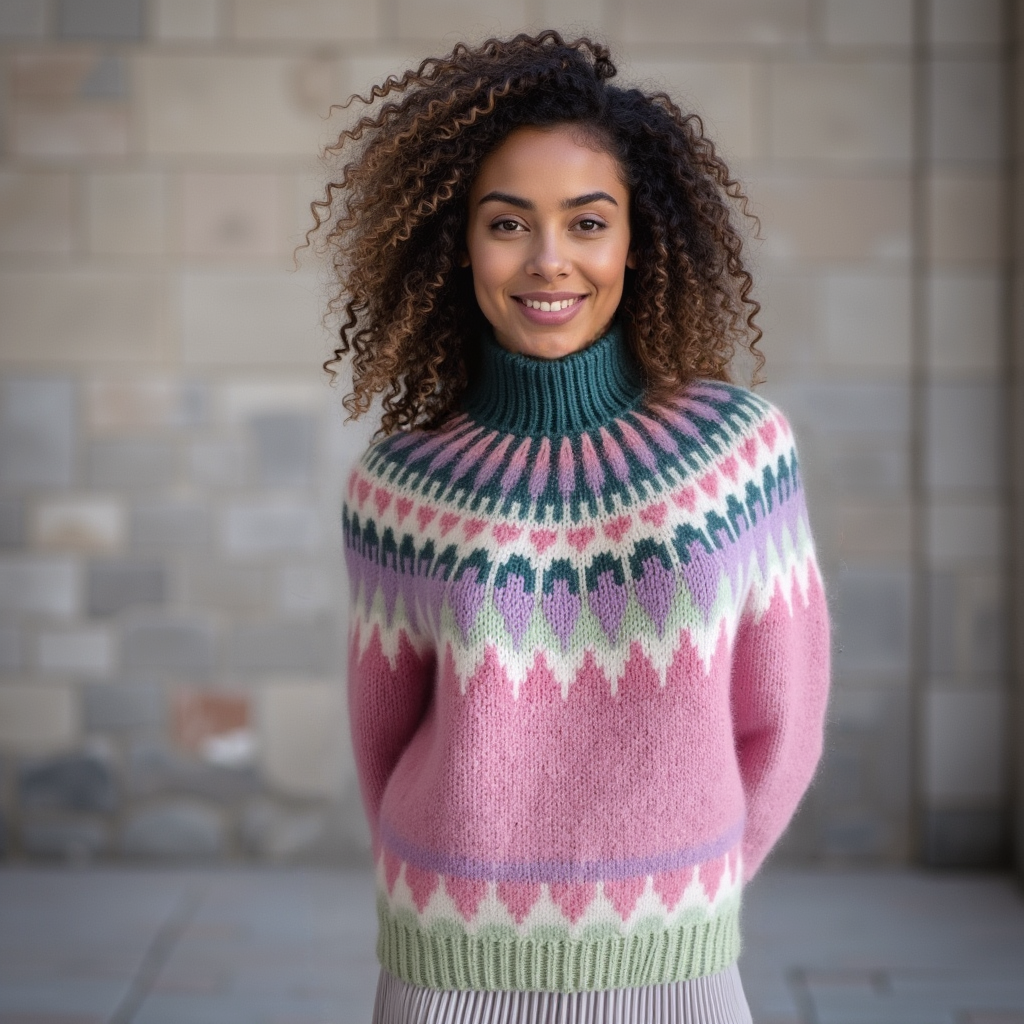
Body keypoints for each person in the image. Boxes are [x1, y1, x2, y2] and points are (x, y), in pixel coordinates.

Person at [311, 31, 831, 1024]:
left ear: (636, 238)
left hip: (675, 956)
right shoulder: (398, 487)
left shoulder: (736, 454)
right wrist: (449, 892)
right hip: (447, 963)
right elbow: (383, 741)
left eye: (586, 222)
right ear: (456, 240)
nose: (549, 260)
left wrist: (685, 890)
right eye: (507, 224)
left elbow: (785, 722)